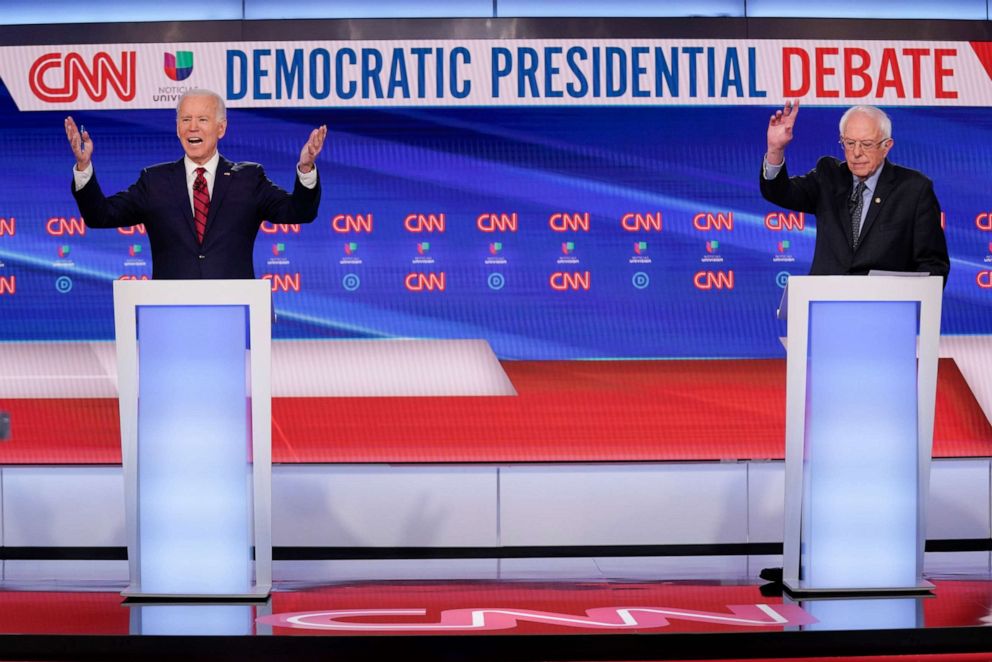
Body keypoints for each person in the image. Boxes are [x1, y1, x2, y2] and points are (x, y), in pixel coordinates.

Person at [64, 88, 327, 279]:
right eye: (185, 120)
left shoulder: (248, 178)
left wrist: (305, 168)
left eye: (202, 120)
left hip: (231, 312)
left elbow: (299, 211)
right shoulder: (155, 181)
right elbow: (100, 215)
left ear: (221, 128)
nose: (193, 128)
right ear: (177, 127)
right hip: (169, 314)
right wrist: (84, 167)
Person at [760, 101, 949, 281]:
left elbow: (933, 265)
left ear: (886, 146)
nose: (857, 153)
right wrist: (775, 149)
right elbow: (778, 192)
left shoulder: (913, 189)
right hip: (827, 304)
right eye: (850, 143)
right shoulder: (829, 177)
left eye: (866, 144)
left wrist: (910, 304)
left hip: (885, 308)